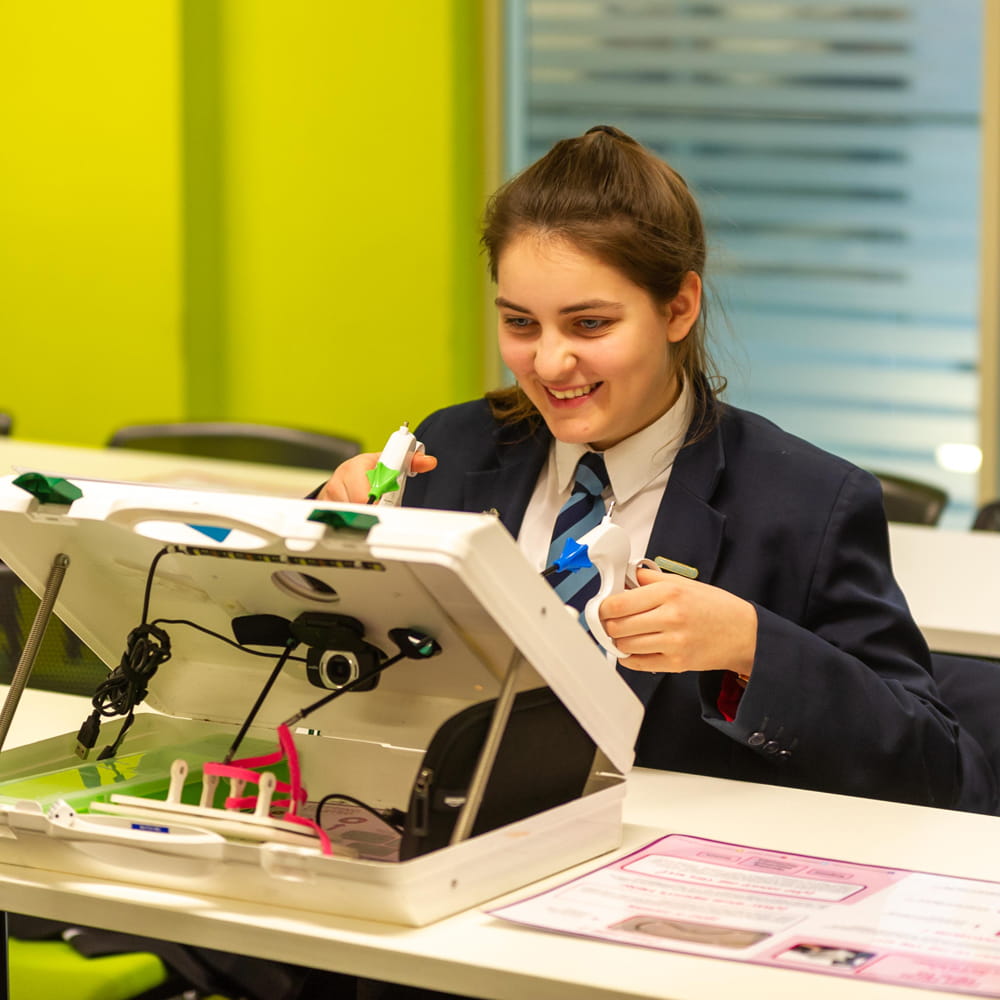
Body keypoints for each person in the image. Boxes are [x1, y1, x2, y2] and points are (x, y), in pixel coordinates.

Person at [320, 125, 998, 815]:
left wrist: (750, 647)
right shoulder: (451, 449)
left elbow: (938, 772)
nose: (548, 362)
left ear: (679, 307)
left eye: (589, 325)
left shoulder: (808, 503)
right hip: (457, 834)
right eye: (521, 324)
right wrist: (329, 531)